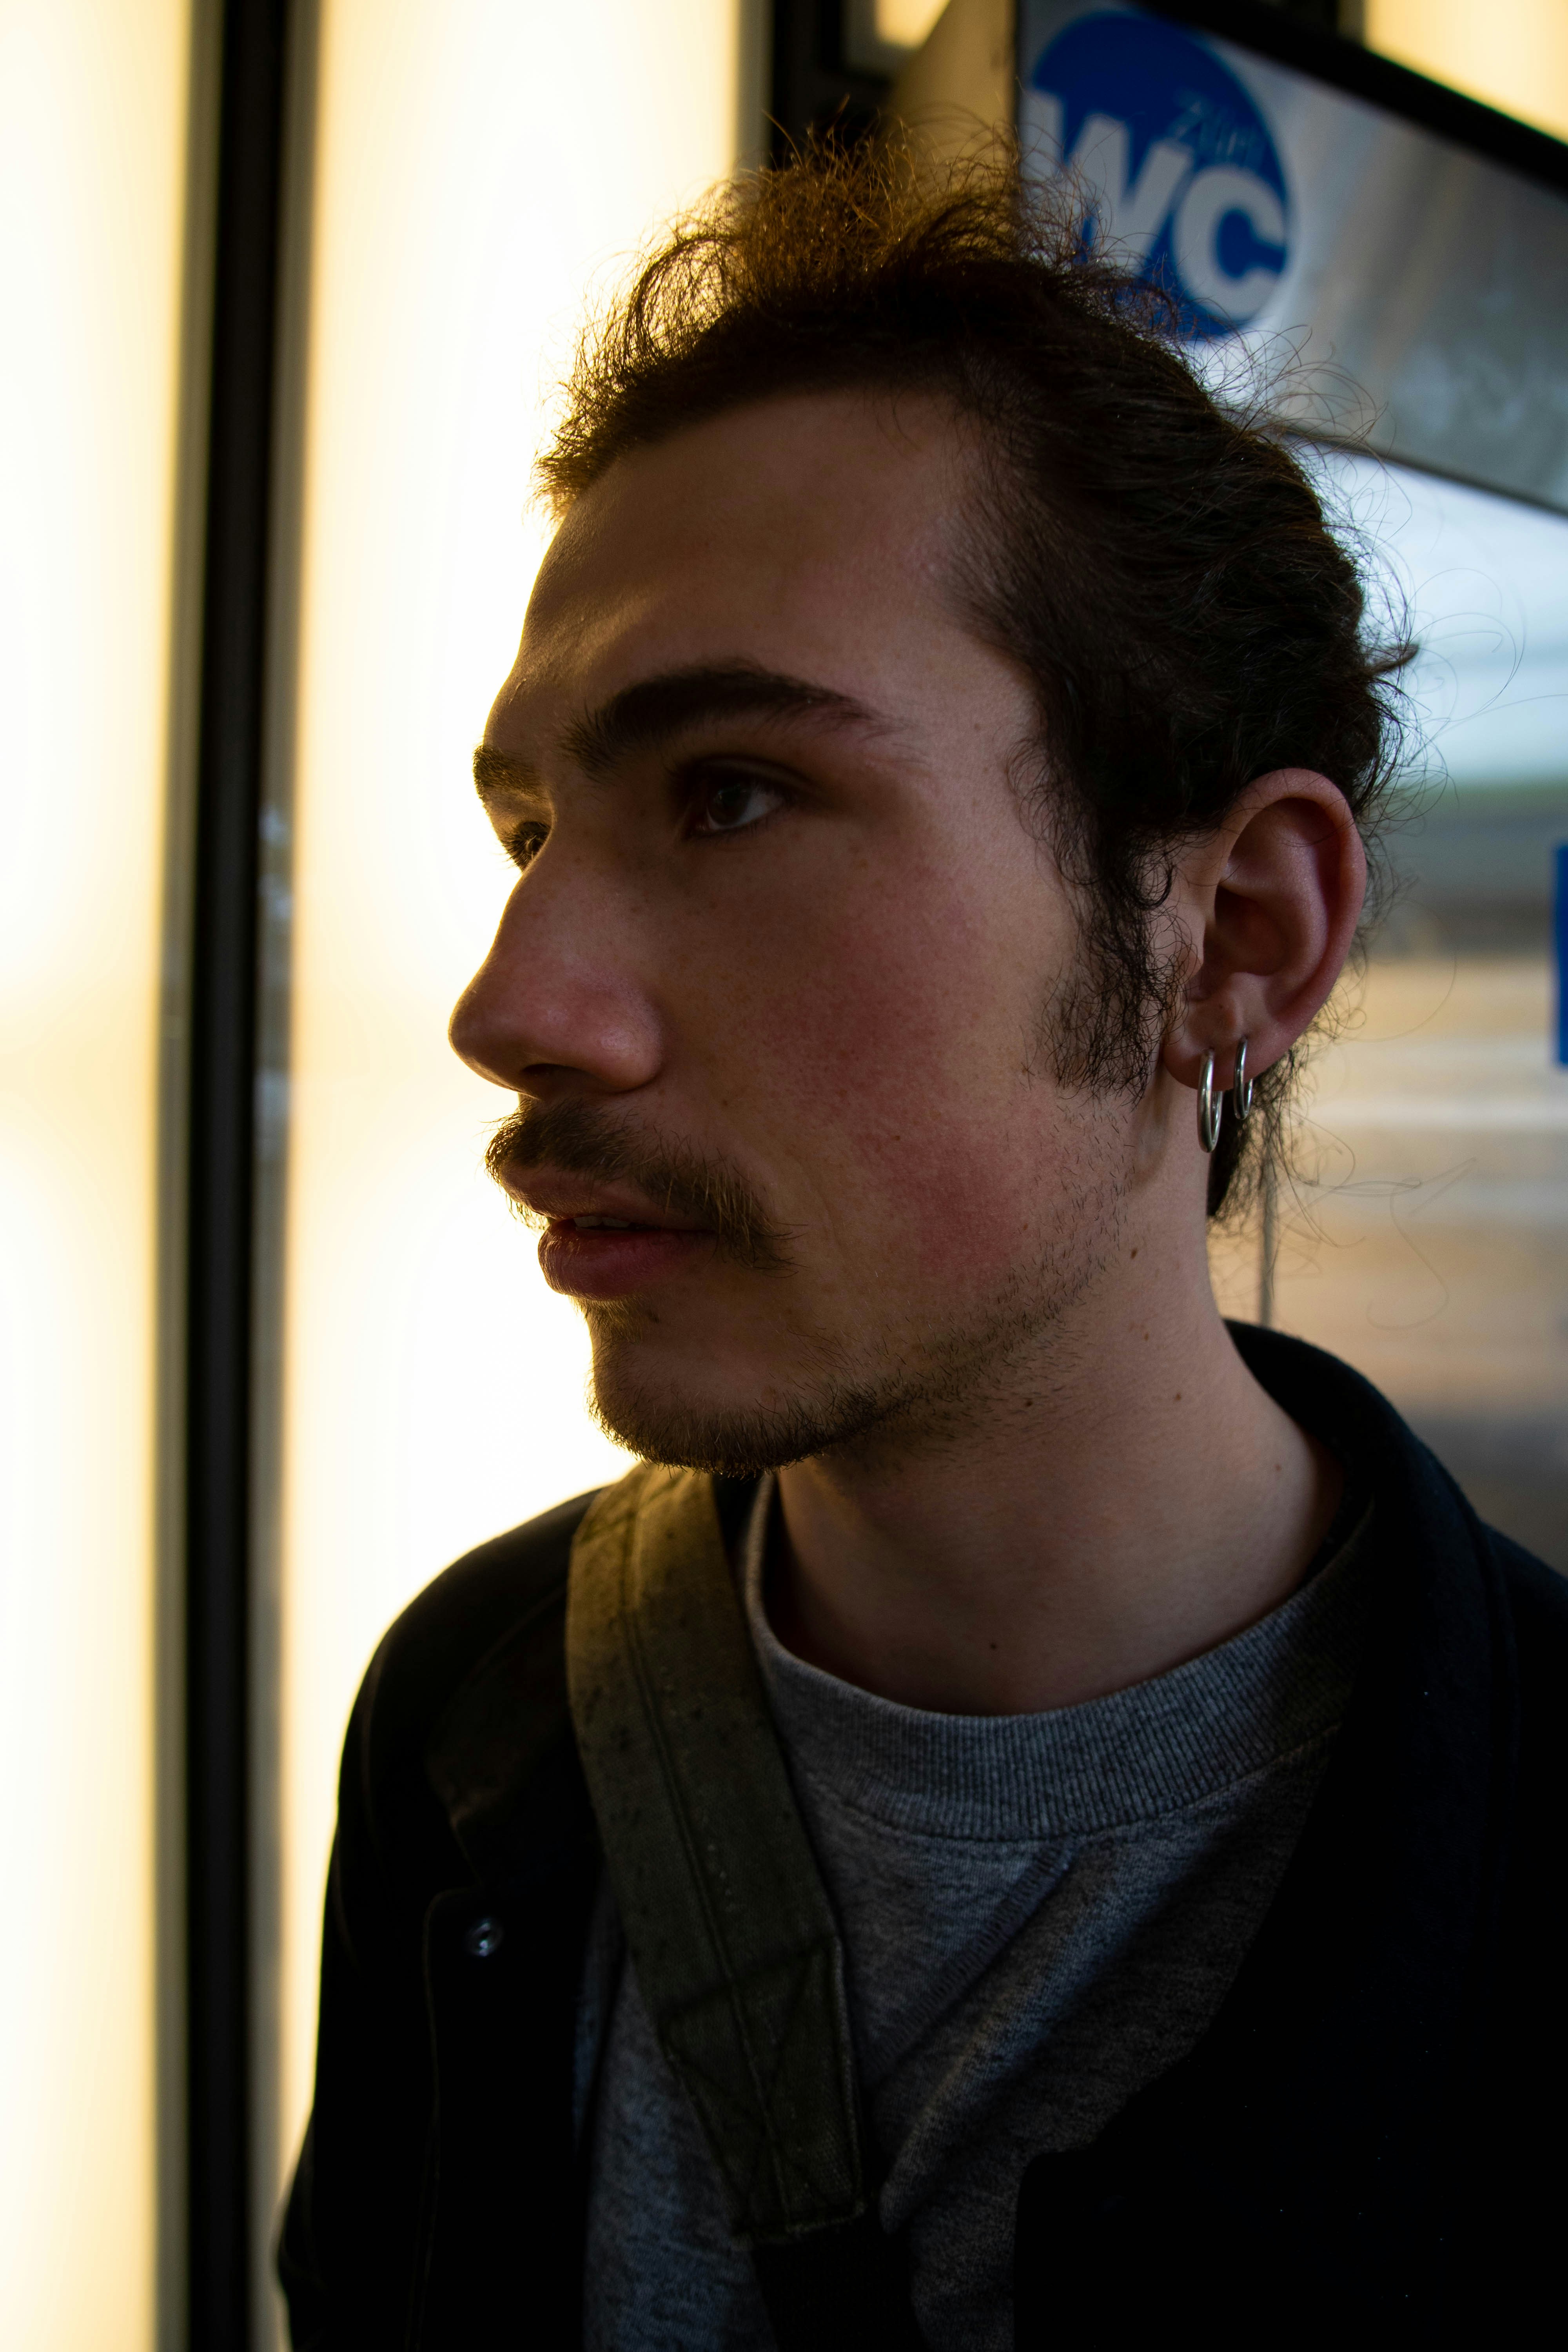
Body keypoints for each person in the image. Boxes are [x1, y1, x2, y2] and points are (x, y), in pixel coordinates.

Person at [277, 145, 1566, 2350]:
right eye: (532, 829)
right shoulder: (482, 1709)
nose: (513, 1007)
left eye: (737, 794)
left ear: (1236, 938)